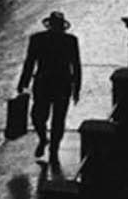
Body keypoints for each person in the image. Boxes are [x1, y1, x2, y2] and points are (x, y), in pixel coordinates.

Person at [17, 11, 81, 162]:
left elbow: (30, 63)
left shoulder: (38, 39)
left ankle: (51, 146)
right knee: (47, 117)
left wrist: (24, 82)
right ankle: (49, 144)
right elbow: (76, 66)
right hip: (61, 84)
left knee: (44, 116)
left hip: (45, 83)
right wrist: (76, 87)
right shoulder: (70, 41)